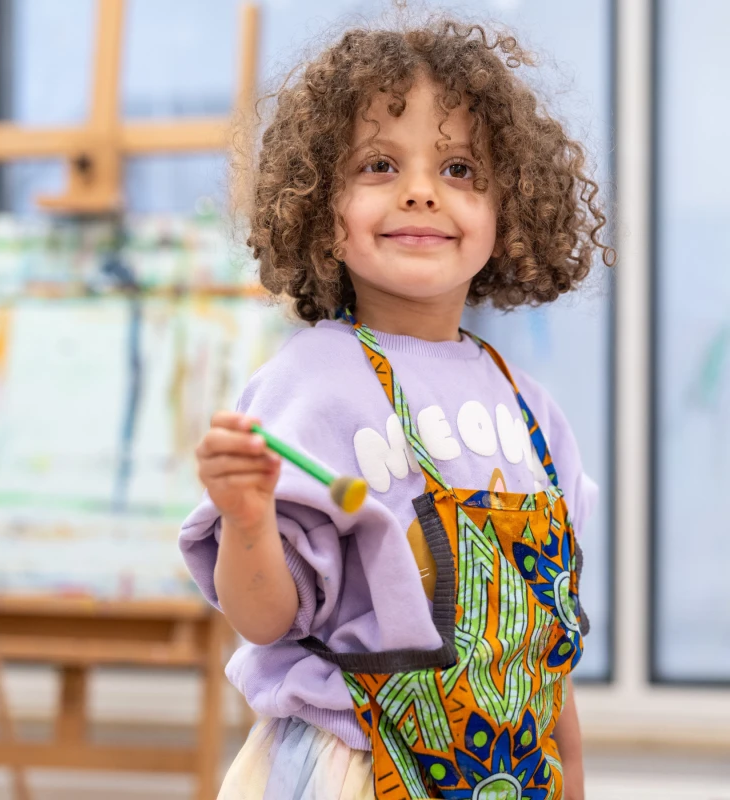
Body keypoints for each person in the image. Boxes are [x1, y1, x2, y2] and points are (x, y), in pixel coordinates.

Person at [180, 16, 614, 800]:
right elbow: (266, 619)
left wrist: (573, 778)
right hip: (354, 772)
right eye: (379, 164)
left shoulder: (532, 411)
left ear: (509, 209)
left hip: (512, 776)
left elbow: (546, 655)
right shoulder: (313, 384)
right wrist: (246, 521)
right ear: (320, 206)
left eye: (459, 167)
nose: (421, 190)